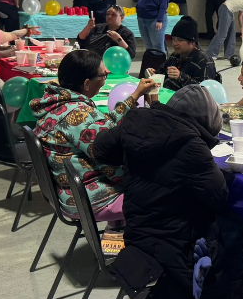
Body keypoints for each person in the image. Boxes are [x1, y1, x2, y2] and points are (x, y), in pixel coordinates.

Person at [92, 84, 233, 299]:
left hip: (135, 225)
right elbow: (219, 198)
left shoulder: (135, 120)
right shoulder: (192, 145)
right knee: (232, 231)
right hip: (172, 240)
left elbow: (100, 149)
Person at [31, 50, 156, 221]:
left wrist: (134, 96)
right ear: (87, 83)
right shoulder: (81, 115)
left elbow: (104, 126)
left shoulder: (55, 103)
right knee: (164, 188)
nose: (105, 80)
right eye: (103, 75)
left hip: (66, 192)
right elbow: (113, 162)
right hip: (89, 199)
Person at [147, 16, 217, 91]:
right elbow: (162, 71)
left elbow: (204, 90)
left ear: (193, 43)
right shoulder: (175, 56)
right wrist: (154, 73)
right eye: (173, 39)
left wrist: (180, 76)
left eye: (180, 40)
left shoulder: (204, 61)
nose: (175, 43)